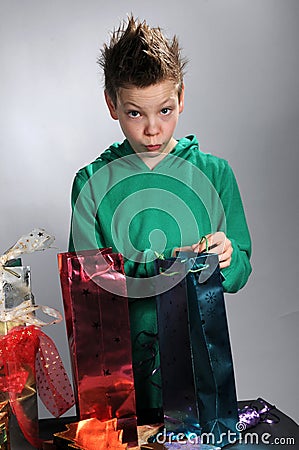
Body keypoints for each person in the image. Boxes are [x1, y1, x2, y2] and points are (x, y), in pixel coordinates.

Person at [68, 16, 252, 424]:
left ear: (182, 97)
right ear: (111, 104)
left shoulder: (215, 174)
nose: (153, 129)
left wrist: (225, 256)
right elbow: (88, 292)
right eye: (135, 113)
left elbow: (240, 272)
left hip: (199, 375)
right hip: (121, 384)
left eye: (165, 110)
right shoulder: (92, 184)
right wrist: (163, 267)